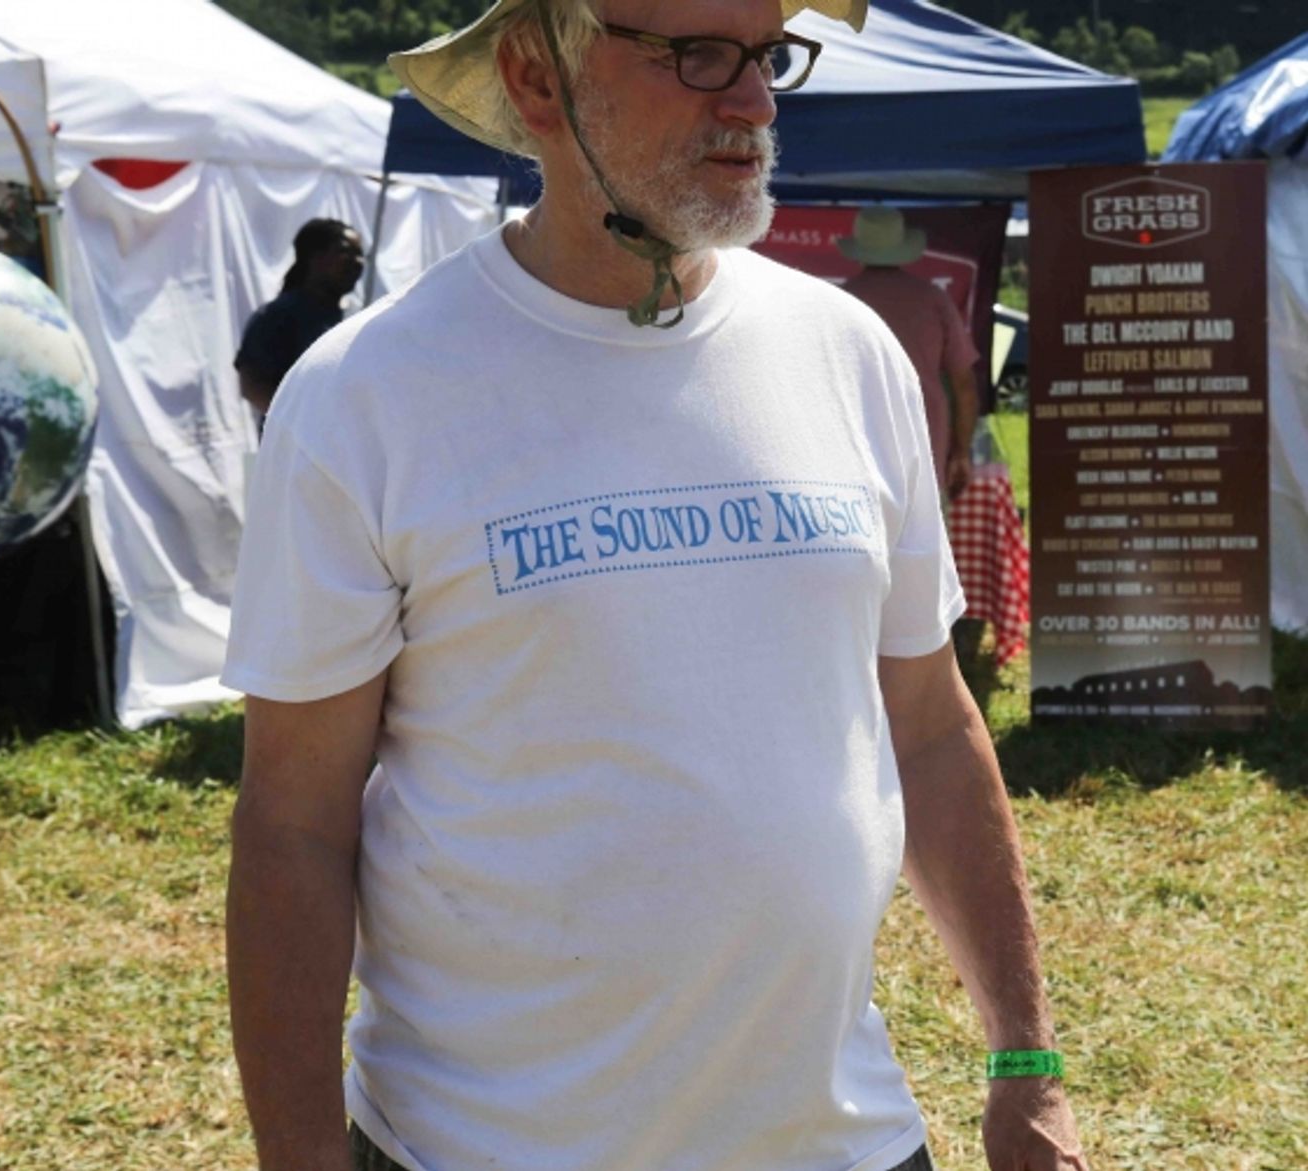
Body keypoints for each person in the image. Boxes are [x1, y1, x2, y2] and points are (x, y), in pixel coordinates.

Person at [222, 4, 1091, 1171]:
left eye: (766, 55)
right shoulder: (366, 394)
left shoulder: (845, 354)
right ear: (538, 79)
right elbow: (291, 824)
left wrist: (1024, 1059)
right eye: (696, 55)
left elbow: (929, 732)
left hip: (840, 1143)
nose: (754, 103)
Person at [839, 207, 982, 503]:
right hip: (927, 447)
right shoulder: (933, 299)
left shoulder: (841, 301)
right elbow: (964, 386)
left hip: (858, 452)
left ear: (860, 249)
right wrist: (960, 453)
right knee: (928, 546)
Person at [233, 218, 365, 417]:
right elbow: (253, 385)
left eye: (360, 254)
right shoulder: (278, 315)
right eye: (345, 251)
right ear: (314, 256)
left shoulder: (352, 318)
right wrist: (303, 425)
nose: (357, 262)